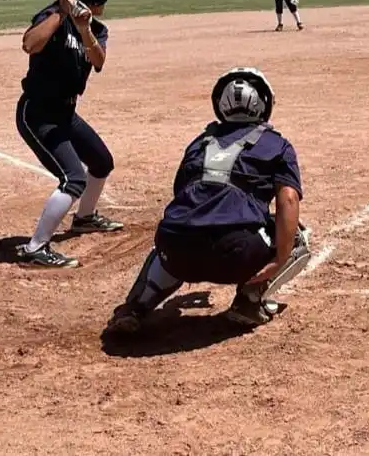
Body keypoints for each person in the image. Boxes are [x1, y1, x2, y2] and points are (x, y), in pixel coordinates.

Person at [105, 67, 310, 333]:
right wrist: (280, 257)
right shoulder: (277, 144)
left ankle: (134, 307)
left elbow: (181, 192)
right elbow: (288, 200)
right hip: (235, 253)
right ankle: (247, 302)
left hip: (175, 249)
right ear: (264, 104)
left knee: (175, 237)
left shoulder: (199, 142)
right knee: (294, 233)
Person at [14, 0, 123, 268]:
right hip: (38, 112)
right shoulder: (51, 16)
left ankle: (84, 218)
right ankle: (36, 248)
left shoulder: (95, 27)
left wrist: (83, 27)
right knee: (73, 178)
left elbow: (98, 61)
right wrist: (62, 12)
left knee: (101, 162)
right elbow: (30, 45)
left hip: (66, 112)